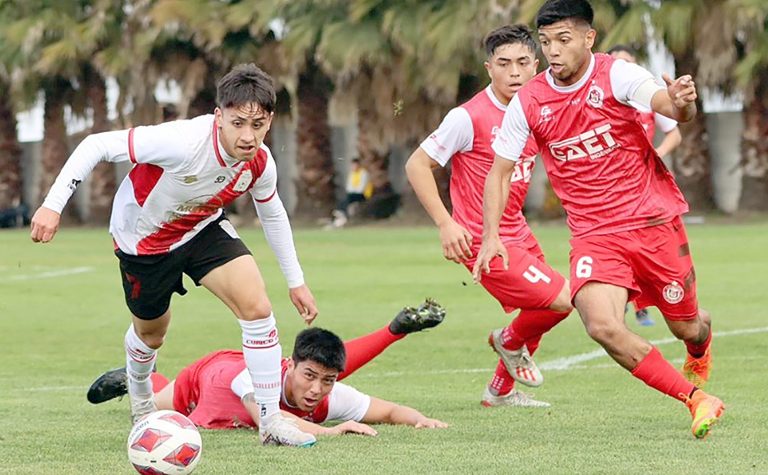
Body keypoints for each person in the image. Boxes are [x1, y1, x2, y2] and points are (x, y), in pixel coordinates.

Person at [30, 64, 320, 447]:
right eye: (238, 124)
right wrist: (53, 205)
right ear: (219, 117)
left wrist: (296, 280)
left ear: (269, 121)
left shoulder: (260, 162)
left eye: (258, 124)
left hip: (201, 229)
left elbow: (272, 212)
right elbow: (96, 144)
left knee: (257, 307)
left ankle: (271, 423)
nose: (248, 136)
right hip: (144, 243)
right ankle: (140, 396)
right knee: (152, 334)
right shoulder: (183, 141)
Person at [475, 0, 723, 439]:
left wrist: (682, 104)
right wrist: (490, 235)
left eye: (563, 40)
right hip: (594, 234)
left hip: (652, 222)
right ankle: (696, 399)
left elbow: (668, 105)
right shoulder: (530, 101)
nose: (553, 51)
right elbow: (500, 172)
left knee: (685, 324)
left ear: (588, 38)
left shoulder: (617, 74)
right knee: (601, 324)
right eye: (546, 42)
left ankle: (700, 344)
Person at [405, 25, 572, 409]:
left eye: (522, 63)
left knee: (543, 306)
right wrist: (446, 223)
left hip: (517, 230)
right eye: (504, 64)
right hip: (482, 241)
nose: (514, 72)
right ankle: (508, 341)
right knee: (563, 300)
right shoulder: (468, 117)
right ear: (488, 68)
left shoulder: (537, 107)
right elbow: (417, 165)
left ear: (536, 66)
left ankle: (499, 391)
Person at [87, 300, 448, 435]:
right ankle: (143, 378)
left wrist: (418, 419)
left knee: (328, 375)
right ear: (288, 366)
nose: (316, 390)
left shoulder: (327, 395)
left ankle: (149, 381)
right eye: (308, 376)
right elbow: (269, 420)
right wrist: (332, 432)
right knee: (155, 410)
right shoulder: (255, 379)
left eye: (327, 381)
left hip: (234, 393)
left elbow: (387, 410)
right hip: (209, 380)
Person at [608, 44, 684, 327]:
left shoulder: (646, 97)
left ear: (635, 64)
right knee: (616, 247)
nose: (620, 66)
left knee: (646, 246)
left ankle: (646, 304)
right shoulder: (601, 99)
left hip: (643, 186)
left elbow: (674, 134)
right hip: (608, 188)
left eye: (626, 61)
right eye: (615, 61)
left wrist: (657, 155)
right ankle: (622, 305)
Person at [331, 158, 373, 228]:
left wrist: (352, 192)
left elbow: (361, 188)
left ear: (359, 165)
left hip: (363, 195)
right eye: (352, 165)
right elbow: (349, 186)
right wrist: (351, 192)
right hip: (353, 194)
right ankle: (340, 213)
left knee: (348, 197)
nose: (353, 167)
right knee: (344, 198)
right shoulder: (352, 174)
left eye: (355, 165)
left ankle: (343, 215)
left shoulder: (363, 173)